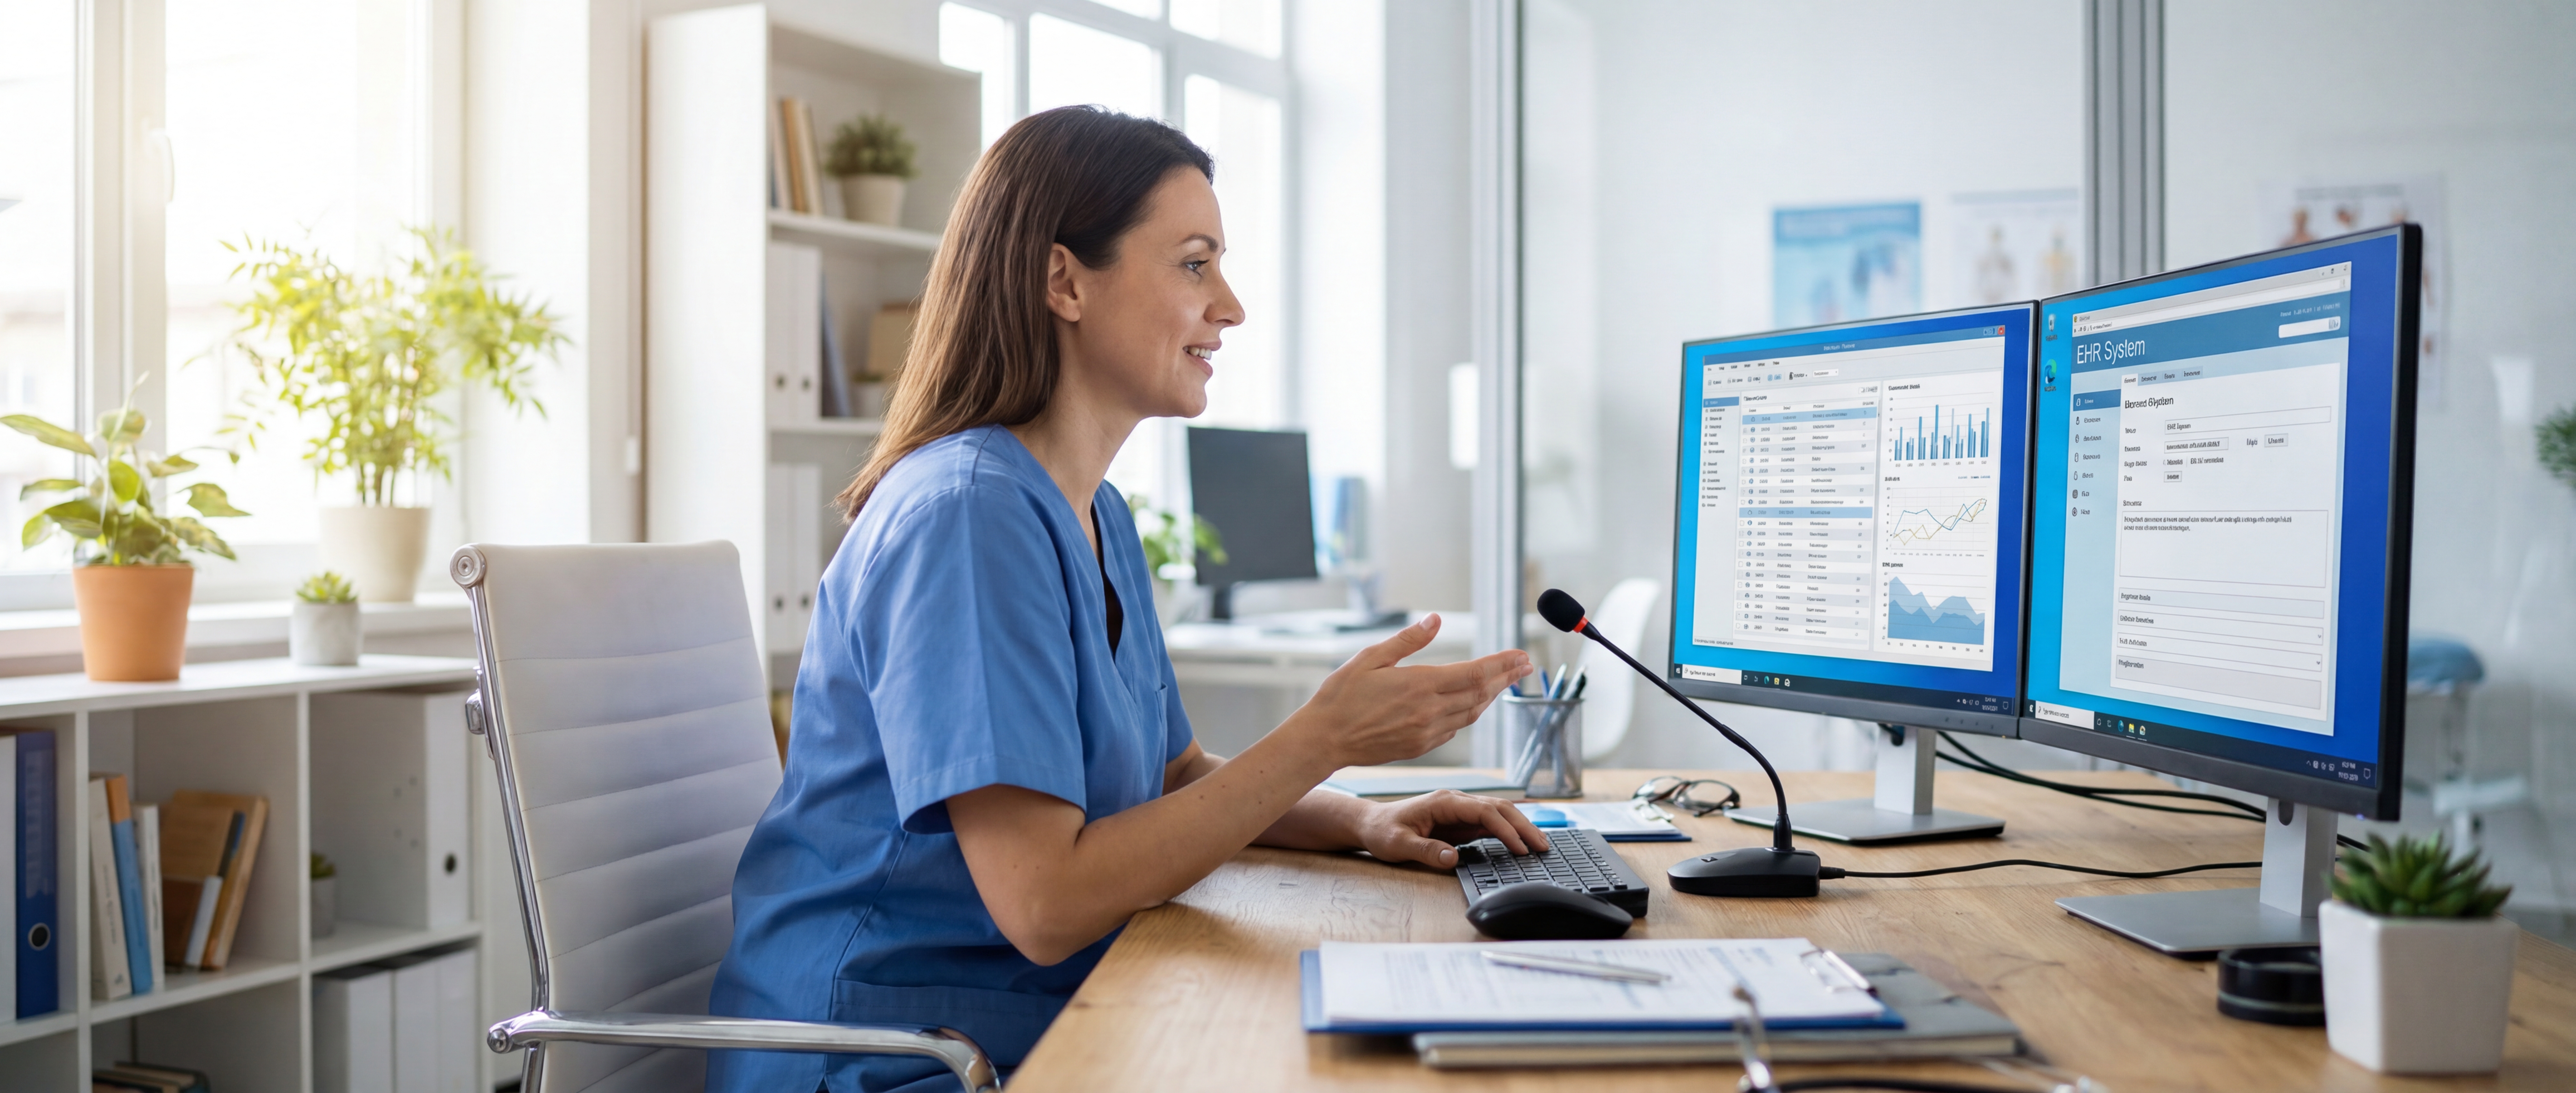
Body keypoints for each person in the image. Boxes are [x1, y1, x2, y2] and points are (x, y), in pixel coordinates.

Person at [708, 106, 1542, 1093]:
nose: (1229, 306)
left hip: (1024, 1023)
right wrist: (1321, 738)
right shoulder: (968, 517)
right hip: (893, 1054)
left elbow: (1176, 770)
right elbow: (1046, 902)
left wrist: (1361, 820)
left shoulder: (1090, 509)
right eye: (1195, 264)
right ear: (1065, 280)